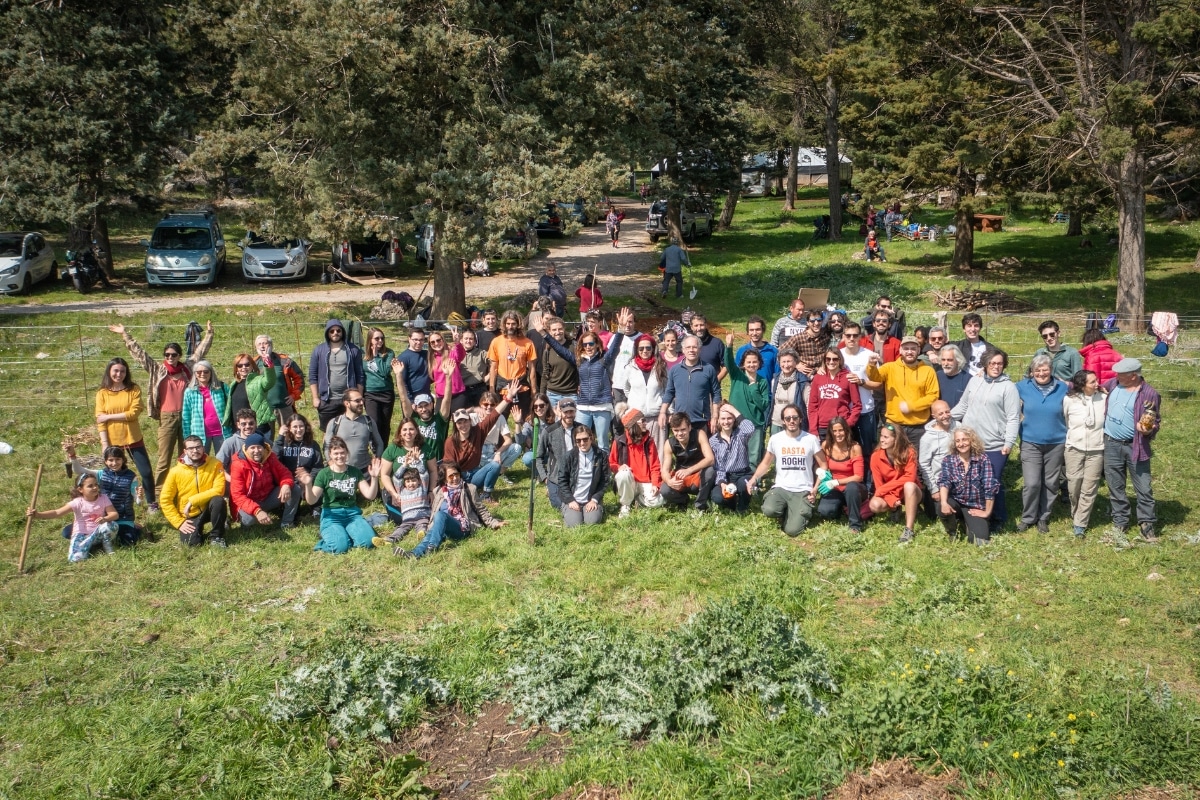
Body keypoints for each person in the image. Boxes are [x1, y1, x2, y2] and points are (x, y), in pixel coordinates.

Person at [109, 321, 214, 505]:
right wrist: (125, 334)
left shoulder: (188, 368)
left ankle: (185, 487)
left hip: (187, 417)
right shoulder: (158, 369)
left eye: (173, 355)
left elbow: (200, 353)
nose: (170, 357)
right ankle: (158, 493)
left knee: (186, 455)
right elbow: (139, 354)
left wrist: (209, 334)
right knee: (164, 458)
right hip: (167, 417)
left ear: (179, 355)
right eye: (167, 355)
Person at [950, 347, 1020, 531]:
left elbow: (1013, 417)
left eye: (1000, 363)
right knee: (973, 481)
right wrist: (944, 417)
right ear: (985, 364)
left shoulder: (1008, 387)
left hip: (994, 445)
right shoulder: (975, 381)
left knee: (991, 483)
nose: (996, 367)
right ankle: (975, 516)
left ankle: (998, 517)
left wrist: (1009, 443)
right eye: (992, 363)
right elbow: (963, 406)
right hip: (971, 443)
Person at [545, 307, 631, 450]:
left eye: (591, 343)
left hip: (602, 406)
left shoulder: (605, 359)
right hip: (583, 406)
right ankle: (582, 469)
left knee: (603, 442)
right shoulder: (579, 360)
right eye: (585, 345)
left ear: (597, 344)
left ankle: (604, 471)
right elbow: (561, 350)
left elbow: (615, 347)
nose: (588, 347)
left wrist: (621, 329)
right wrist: (544, 334)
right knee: (580, 440)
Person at [1103, 358, 1161, 541]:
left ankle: (1146, 523)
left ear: (1134, 376)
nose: (1116, 376)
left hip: (1135, 445)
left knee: (1143, 487)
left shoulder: (1149, 394)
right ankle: (1120, 520)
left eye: (1121, 374)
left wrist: (1148, 429)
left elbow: (1155, 420)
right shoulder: (1113, 384)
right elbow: (1094, 385)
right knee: (1115, 484)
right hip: (1111, 442)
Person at [401, 461, 505, 558]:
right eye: (451, 476)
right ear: (445, 479)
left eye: (457, 474)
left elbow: (481, 509)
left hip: (462, 528)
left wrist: (494, 523)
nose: (455, 478)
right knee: (430, 533)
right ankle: (414, 553)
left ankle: (433, 547)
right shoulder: (438, 491)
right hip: (442, 525)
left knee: (441, 515)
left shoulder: (469, 488)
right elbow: (433, 511)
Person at [299, 436, 381, 554]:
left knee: (368, 543)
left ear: (347, 453)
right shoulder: (324, 474)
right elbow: (312, 500)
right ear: (330, 455)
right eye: (336, 453)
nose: (339, 456)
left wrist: (374, 478)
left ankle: (345, 535)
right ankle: (330, 540)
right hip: (331, 516)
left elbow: (370, 495)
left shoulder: (354, 471)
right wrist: (308, 485)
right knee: (339, 548)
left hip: (352, 515)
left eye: (342, 452)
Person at [747, 404, 820, 537]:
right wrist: (754, 479)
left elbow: (823, 465)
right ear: (783, 421)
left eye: (795, 417)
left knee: (792, 531)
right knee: (769, 510)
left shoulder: (811, 439)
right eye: (788, 418)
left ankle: (797, 510)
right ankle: (785, 507)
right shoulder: (776, 439)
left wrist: (815, 489)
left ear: (800, 419)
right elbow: (765, 463)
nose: (791, 421)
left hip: (802, 490)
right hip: (782, 487)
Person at [1015, 354, 1069, 533]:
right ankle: (1028, 517)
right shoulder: (1022, 387)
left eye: (1045, 369)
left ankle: (1043, 517)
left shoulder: (1063, 387)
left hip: (1056, 442)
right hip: (1031, 442)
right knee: (1031, 483)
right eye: (1037, 370)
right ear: (1031, 372)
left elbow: (1084, 389)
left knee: (1051, 482)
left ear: (1051, 370)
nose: (1041, 373)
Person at [94, 357, 156, 510]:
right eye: (115, 370)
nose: (119, 374)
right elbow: (100, 421)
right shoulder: (102, 393)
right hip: (112, 441)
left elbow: (133, 413)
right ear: (109, 371)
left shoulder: (133, 389)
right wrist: (105, 444)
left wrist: (108, 416)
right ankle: (110, 505)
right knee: (112, 476)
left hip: (132, 437)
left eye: (122, 371)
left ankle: (152, 503)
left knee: (146, 472)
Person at [865, 335, 939, 452]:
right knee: (892, 460)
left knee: (916, 461)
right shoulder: (890, 367)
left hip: (918, 427)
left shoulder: (928, 371)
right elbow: (875, 377)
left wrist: (911, 407)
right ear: (900, 350)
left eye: (913, 349)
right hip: (894, 425)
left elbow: (933, 396)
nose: (909, 352)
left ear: (919, 351)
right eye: (906, 348)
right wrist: (871, 365)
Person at [28, 473, 119, 562]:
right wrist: (38, 514)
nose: (95, 487)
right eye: (90, 486)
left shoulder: (103, 498)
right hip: (82, 534)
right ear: (80, 489)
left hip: (98, 532)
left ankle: (107, 546)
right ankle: (88, 546)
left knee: (111, 525)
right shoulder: (77, 502)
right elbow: (57, 512)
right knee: (76, 559)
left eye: (96, 484)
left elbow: (114, 514)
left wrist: (105, 519)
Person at [443, 390, 514, 502]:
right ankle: (465, 491)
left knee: (495, 465)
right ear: (456, 425)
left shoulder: (478, 431)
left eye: (465, 421)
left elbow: (494, 416)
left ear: (470, 421)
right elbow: (449, 466)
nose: (463, 425)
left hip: (476, 473)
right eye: (459, 423)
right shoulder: (450, 442)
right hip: (459, 477)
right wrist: (455, 483)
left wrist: (508, 398)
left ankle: (486, 494)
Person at [65, 444, 143, 545]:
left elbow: (138, 502)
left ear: (123, 460)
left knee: (128, 541)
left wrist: (140, 497)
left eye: (118, 459)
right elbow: (79, 470)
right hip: (100, 518)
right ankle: (100, 538)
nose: (114, 463)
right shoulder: (100, 474)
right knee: (67, 532)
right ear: (105, 461)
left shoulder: (131, 477)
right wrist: (72, 455)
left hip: (123, 519)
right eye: (110, 460)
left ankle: (134, 528)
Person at [160, 435, 228, 547]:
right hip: (190, 513)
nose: (195, 451)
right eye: (191, 448)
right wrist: (179, 522)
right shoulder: (175, 472)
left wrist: (193, 501)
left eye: (198, 447)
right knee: (192, 544)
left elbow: (219, 490)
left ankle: (216, 536)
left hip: (209, 507)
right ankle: (198, 531)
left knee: (218, 501)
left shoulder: (215, 464)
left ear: (203, 448)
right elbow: (165, 500)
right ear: (185, 451)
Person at [937, 426, 1000, 546]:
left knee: (978, 540)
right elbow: (944, 481)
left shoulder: (982, 459)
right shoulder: (948, 460)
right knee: (941, 505)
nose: (961, 443)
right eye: (958, 441)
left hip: (975, 505)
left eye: (964, 439)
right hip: (956, 501)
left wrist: (987, 512)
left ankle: (969, 523)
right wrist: (944, 502)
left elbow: (989, 486)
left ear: (971, 440)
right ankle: (952, 531)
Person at [1063, 370, 1106, 538]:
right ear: (1082, 385)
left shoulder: (1103, 398)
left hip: (1096, 450)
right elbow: (1066, 420)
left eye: (1096, 380)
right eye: (1092, 382)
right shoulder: (1069, 400)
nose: (1097, 383)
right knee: (1074, 486)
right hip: (1074, 448)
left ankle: (1080, 523)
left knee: (1089, 488)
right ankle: (1076, 512)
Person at [397, 360, 455, 477]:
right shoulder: (413, 420)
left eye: (426, 405)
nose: (424, 409)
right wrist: (398, 375)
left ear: (432, 405)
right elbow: (404, 399)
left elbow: (447, 400)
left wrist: (448, 376)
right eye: (420, 407)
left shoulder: (440, 420)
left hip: (437, 464)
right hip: (417, 463)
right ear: (416, 408)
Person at [870, 423, 923, 543]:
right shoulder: (875, 456)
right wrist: (890, 499)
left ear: (896, 439)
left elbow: (909, 477)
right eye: (881, 436)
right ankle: (895, 509)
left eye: (886, 437)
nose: (882, 440)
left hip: (911, 492)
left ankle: (909, 529)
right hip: (892, 493)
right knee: (874, 505)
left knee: (909, 485)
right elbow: (878, 485)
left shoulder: (909, 452)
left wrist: (883, 491)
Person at [309, 319, 365, 431]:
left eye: (338, 330)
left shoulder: (353, 350)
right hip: (327, 400)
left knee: (349, 431)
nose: (335, 333)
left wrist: (359, 398)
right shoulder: (319, 350)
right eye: (332, 331)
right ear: (327, 333)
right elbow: (312, 375)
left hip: (348, 400)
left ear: (342, 332)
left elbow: (360, 375)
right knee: (328, 433)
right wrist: (315, 398)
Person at [723, 333, 770, 467]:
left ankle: (754, 481)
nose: (751, 364)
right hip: (737, 423)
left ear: (759, 363)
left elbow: (763, 405)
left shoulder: (762, 382)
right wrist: (729, 346)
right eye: (748, 362)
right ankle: (738, 480)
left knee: (754, 456)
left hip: (755, 425)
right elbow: (729, 362)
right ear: (743, 364)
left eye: (755, 362)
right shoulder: (737, 375)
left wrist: (754, 387)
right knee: (737, 453)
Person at [230, 432, 294, 528]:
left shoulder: (270, 457)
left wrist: (286, 484)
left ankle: (287, 522)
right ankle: (247, 524)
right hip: (248, 501)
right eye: (252, 448)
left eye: (259, 447)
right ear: (246, 449)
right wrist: (257, 511)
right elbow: (237, 495)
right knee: (249, 520)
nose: (256, 451)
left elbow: (285, 473)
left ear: (264, 448)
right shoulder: (238, 465)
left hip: (267, 497)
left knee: (294, 489)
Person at [812, 416, 865, 533]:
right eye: (834, 431)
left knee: (852, 487)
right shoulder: (826, 445)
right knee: (824, 511)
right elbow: (819, 465)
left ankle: (855, 525)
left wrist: (836, 481)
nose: (838, 434)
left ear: (846, 430)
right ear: (830, 432)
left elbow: (859, 476)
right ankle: (843, 508)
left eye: (840, 430)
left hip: (853, 488)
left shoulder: (855, 448)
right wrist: (819, 471)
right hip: (834, 488)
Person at [659, 335, 722, 434]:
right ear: (683, 350)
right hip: (681, 421)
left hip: (701, 421)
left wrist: (715, 416)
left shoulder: (708, 369)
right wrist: (662, 412)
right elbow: (669, 392)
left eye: (694, 347)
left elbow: (716, 394)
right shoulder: (675, 370)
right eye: (688, 347)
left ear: (700, 349)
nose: (691, 350)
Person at [380, 417, 437, 521]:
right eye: (404, 429)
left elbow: (433, 471)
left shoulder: (425, 448)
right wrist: (394, 494)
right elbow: (384, 475)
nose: (408, 432)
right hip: (398, 491)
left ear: (416, 431)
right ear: (400, 432)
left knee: (426, 515)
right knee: (399, 519)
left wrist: (431, 491)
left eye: (411, 429)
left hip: (421, 492)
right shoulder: (393, 448)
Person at [274, 413, 323, 529]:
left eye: (301, 426)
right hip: (288, 480)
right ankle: (290, 514)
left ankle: (316, 508)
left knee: (319, 482)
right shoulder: (284, 443)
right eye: (295, 427)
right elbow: (274, 460)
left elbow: (318, 466)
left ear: (306, 427)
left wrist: (308, 477)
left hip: (308, 479)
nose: (298, 430)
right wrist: (280, 438)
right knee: (293, 492)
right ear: (289, 428)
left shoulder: (312, 445)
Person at [839, 323, 879, 465]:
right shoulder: (838, 355)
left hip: (865, 410)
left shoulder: (868, 355)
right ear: (843, 336)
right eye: (848, 335)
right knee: (845, 450)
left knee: (866, 449)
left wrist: (860, 381)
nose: (851, 338)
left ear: (860, 337)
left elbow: (878, 384)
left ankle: (867, 485)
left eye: (855, 335)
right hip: (843, 411)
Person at [659, 412, 715, 511]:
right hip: (681, 478)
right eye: (676, 430)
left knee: (710, 471)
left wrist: (689, 470)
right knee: (665, 490)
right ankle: (683, 500)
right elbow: (664, 470)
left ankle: (700, 504)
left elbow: (710, 459)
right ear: (672, 430)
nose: (680, 433)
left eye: (683, 429)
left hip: (698, 474)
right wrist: (669, 481)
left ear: (689, 427)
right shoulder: (669, 443)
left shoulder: (699, 434)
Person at [557, 423, 611, 526]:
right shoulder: (568, 456)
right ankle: (567, 509)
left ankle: (596, 508)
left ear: (591, 438)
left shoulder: (601, 456)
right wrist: (570, 500)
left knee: (592, 522)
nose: (582, 443)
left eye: (585, 439)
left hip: (590, 499)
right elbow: (562, 481)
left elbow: (605, 481)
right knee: (574, 524)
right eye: (578, 440)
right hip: (573, 498)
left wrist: (595, 499)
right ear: (575, 441)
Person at [619, 333, 667, 448]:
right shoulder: (630, 367)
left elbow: (667, 390)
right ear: (636, 349)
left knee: (657, 451)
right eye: (641, 348)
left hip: (656, 416)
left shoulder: (661, 367)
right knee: (638, 451)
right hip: (636, 418)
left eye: (648, 348)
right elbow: (626, 389)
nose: (644, 350)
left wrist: (666, 412)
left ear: (653, 349)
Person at [488, 309, 538, 418]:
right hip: (502, 388)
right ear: (504, 325)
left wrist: (534, 391)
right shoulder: (496, 342)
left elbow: (532, 369)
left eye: (513, 324)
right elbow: (493, 368)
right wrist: (491, 389)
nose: (510, 327)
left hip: (521, 387)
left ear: (518, 324)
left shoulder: (527, 343)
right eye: (508, 324)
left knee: (524, 420)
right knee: (499, 420)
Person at [708, 403, 756, 514]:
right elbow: (718, 467)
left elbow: (751, 428)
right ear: (718, 420)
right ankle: (732, 502)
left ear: (734, 419)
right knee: (717, 497)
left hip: (743, 473)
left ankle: (743, 507)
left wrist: (733, 410)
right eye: (723, 418)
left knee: (744, 485)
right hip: (726, 476)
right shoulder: (713, 441)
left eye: (729, 418)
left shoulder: (740, 434)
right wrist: (723, 483)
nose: (726, 422)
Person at [323, 389, 385, 472]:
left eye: (362, 400)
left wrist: (377, 458)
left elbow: (379, 443)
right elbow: (326, 446)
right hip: (343, 471)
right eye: (357, 401)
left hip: (365, 471)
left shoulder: (369, 421)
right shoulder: (335, 422)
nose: (362, 403)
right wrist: (330, 462)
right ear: (347, 403)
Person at [807, 347, 861, 441]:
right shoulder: (818, 378)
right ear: (824, 360)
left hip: (841, 426)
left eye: (835, 359)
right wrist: (813, 430)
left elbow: (857, 405)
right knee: (822, 455)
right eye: (828, 359)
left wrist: (848, 424)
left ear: (840, 360)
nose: (831, 362)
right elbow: (812, 406)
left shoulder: (848, 377)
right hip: (822, 427)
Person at [255, 335, 305, 434]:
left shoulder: (284, 361)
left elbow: (299, 378)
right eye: (259, 344)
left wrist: (293, 395)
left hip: (284, 406)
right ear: (256, 347)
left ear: (271, 345)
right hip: (264, 409)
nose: (262, 346)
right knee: (266, 439)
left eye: (265, 343)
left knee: (289, 435)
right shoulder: (254, 363)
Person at [536, 398, 579, 509]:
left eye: (571, 411)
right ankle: (551, 490)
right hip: (556, 478)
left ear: (575, 411)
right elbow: (539, 456)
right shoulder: (549, 431)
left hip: (577, 475)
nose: (569, 415)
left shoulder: (582, 429)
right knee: (559, 505)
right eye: (566, 412)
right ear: (559, 412)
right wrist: (545, 477)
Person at [181, 360, 231, 455]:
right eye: (199, 372)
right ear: (195, 374)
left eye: (206, 371)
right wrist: (187, 438)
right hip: (199, 435)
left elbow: (230, 409)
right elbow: (186, 417)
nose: (202, 374)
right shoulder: (189, 392)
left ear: (211, 373)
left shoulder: (222, 388)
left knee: (224, 462)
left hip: (222, 433)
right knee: (201, 463)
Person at [473, 391, 524, 484]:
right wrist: (472, 409)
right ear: (481, 404)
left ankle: (499, 473)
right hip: (477, 452)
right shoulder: (473, 417)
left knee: (516, 448)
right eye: (486, 404)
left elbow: (508, 440)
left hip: (492, 450)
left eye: (492, 404)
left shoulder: (500, 418)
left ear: (496, 405)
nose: (489, 407)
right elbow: (456, 415)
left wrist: (498, 453)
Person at [918, 400, 957, 518]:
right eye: (941, 414)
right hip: (940, 481)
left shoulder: (959, 427)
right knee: (935, 515)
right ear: (934, 416)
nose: (945, 416)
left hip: (960, 478)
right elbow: (924, 464)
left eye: (947, 411)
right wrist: (934, 489)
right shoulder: (927, 438)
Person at [374, 468, 431, 547]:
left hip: (422, 516)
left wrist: (417, 461)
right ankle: (389, 541)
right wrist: (404, 465)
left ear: (419, 481)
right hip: (407, 519)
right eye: (408, 481)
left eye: (414, 480)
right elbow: (396, 477)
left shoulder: (422, 488)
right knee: (400, 529)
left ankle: (422, 535)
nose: (411, 484)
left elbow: (424, 474)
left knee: (422, 525)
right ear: (404, 483)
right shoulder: (401, 491)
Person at [228, 352, 277, 437]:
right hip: (239, 431)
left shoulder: (258, 380)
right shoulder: (234, 384)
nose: (244, 367)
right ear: (236, 368)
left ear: (252, 366)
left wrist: (268, 365)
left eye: (247, 364)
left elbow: (270, 381)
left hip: (258, 430)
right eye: (240, 365)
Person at [362, 328, 399, 439]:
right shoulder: (362, 354)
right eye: (376, 338)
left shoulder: (389, 353)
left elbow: (384, 372)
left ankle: (383, 451)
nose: (380, 341)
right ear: (370, 340)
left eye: (382, 338)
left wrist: (376, 355)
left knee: (385, 425)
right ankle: (375, 449)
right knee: (374, 423)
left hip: (386, 393)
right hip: (370, 393)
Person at [538, 315, 579, 410]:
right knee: (554, 423)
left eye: (560, 329)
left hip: (571, 393)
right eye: (554, 330)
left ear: (564, 329)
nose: (557, 332)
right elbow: (545, 373)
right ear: (549, 331)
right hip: (553, 393)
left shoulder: (574, 346)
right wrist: (542, 395)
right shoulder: (547, 350)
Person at [769, 348, 808, 435]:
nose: (786, 365)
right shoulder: (775, 379)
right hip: (776, 423)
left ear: (795, 362)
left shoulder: (802, 381)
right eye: (783, 362)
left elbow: (808, 405)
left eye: (789, 361)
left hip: (794, 424)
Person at [782, 310, 832, 376]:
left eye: (819, 320)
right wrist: (796, 364)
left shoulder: (826, 336)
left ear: (822, 321)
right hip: (804, 374)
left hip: (821, 372)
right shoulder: (798, 338)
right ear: (807, 323)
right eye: (812, 321)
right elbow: (781, 351)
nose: (816, 323)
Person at [427, 329, 466, 413]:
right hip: (441, 395)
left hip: (456, 393)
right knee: (440, 423)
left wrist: (457, 343)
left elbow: (461, 355)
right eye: (433, 342)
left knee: (458, 423)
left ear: (443, 340)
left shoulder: (452, 352)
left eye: (438, 340)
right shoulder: (431, 358)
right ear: (430, 345)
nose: (436, 343)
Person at [215, 409, 259, 478]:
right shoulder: (229, 443)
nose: (247, 426)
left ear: (256, 423)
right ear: (238, 425)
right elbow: (217, 465)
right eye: (243, 424)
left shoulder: (262, 440)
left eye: (251, 423)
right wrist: (231, 480)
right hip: (236, 481)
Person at [736, 315, 779, 381]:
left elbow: (778, 376)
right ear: (748, 332)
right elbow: (737, 375)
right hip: (747, 390)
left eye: (758, 330)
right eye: (751, 330)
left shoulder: (773, 351)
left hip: (767, 390)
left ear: (763, 330)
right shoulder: (741, 351)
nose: (754, 333)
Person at [395, 327, 430, 402]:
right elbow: (401, 382)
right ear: (409, 339)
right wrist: (409, 401)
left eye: (421, 340)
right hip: (412, 399)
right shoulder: (403, 358)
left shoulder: (427, 354)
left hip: (427, 398)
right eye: (415, 339)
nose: (418, 342)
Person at [458, 328, 491, 409]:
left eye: (471, 339)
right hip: (463, 390)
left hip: (479, 389)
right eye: (466, 338)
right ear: (461, 340)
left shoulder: (482, 354)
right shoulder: (456, 354)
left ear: (475, 341)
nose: (468, 341)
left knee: (481, 415)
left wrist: (488, 377)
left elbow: (496, 364)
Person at [689, 313, 726, 378]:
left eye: (701, 325)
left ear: (706, 325)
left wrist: (717, 380)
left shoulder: (717, 343)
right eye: (696, 325)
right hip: (691, 386)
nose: (699, 328)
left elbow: (726, 366)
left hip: (711, 387)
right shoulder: (687, 344)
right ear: (691, 327)